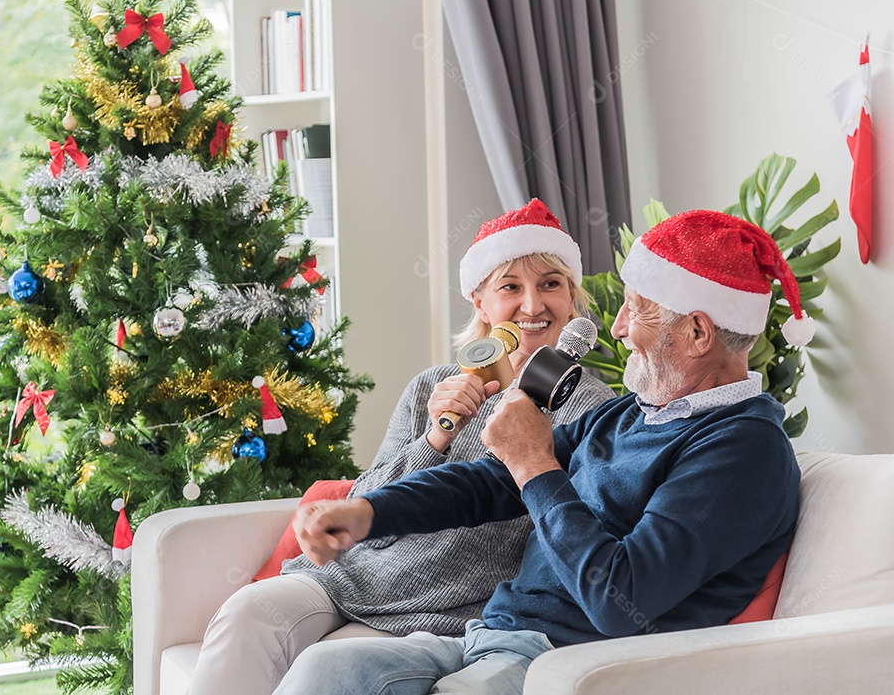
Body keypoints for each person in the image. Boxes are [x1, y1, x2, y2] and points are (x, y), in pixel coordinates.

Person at [276, 209, 807, 695]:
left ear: (697, 332)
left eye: (636, 311)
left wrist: (534, 461)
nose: (617, 329)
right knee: (323, 670)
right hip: (492, 636)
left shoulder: (744, 450)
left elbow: (621, 598)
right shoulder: (628, 414)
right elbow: (487, 484)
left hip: (577, 665)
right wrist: (368, 511)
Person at [187, 200, 615, 695]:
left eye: (550, 285)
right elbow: (365, 500)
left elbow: (567, 529)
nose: (533, 305)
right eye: (510, 288)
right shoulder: (432, 387)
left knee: (331, 664)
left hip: (455, 604)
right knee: (248, 612)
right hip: (351, 576)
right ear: (480, 302)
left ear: (571, 296)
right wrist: (436, 437)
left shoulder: (591, 406)